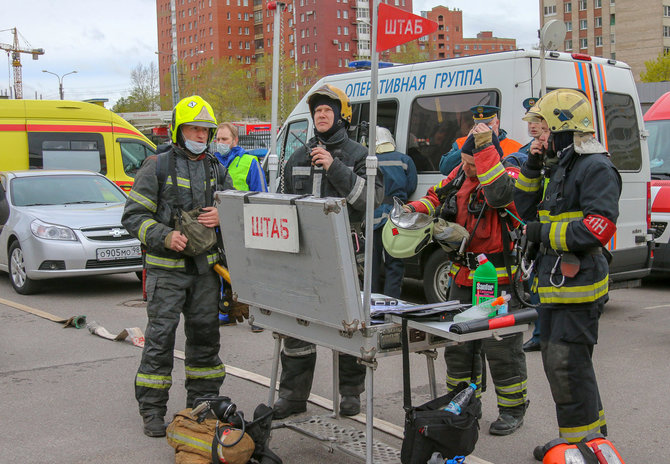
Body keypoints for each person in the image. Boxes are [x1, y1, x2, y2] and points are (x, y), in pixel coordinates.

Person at [513, 89, 620, 454]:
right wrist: (531, 165)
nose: (539, 138)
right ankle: (591, 438)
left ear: (565, 128)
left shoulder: (596, 167)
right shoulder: (560, 166)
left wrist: (543, 234)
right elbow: (524, 208)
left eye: (543, 131)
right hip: (555, 287)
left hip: (579, 289)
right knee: (567, 369)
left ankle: (580, 447)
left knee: (567, 368)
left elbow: (598, 228)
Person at [405, 122, 529, 436]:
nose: (467, 167)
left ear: (487, 159)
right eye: (466, 161)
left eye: (473, 162)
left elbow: (499, 195)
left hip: (499, 281)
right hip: (463, 276)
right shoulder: (460, 173)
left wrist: (485, 149)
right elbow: (435, 197)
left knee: (501, 348)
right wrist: (413, 211)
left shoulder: (506, 177)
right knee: (459, 345)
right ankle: (463, 405)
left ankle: (513, 409)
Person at [122, 95, 232, 437]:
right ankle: (152, 411)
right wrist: (165, 236)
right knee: (160, 340)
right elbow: (132, 216)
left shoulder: (216, 168)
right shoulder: (157, 165)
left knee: (205, 341)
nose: (200, 136)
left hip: (205, 273)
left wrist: (223, 215)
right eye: (194, 129)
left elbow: (237, 214)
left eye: (205, 131)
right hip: (165, 272)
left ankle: (202, 408)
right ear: (178, 130)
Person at [275, 84, 384, 419]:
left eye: (327, 110)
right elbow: (281, 203)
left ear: (341, 116)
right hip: (304, 260)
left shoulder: (360, 155)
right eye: (317, 111)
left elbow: (371, 202)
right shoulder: (296, 155)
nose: (321, 116)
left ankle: (350, 394)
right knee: (298, 329)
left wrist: (334, 166)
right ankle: (293, 396)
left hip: (348, 260)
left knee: (348, 326)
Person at [213, 122, 268, 333]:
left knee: (249, 273)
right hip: (218, 227)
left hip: (243, 227)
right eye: (217, 139)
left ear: (235, 141)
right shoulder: (211, 162)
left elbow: (261, 196)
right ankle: (225, 312)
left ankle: (257, 316)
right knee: (222, 272)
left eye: (224, 139)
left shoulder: (249, 162)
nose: (220, 144)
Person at [371, 126, 417, 298]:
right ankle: (392, 303)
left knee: (372, 263)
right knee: (395, 263)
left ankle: (370, 303)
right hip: (396, 217)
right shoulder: (405, 160)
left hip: (373, 216)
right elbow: (411, 186)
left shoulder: (370, 160)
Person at [439, 105, 523, 176]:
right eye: (478, 125)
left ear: (497, 123)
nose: (481, 128)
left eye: (487, 124)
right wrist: (467, 145)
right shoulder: (462, 142)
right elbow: (445, 169)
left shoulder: (515, 147)